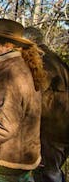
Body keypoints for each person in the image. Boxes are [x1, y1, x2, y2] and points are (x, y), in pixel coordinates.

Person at [0, 18, 45, 182]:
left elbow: (7, 126)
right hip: (21, 158)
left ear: (7, 46)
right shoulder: (23, 67)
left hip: (6, 162)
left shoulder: (9, 74)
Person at [24, 26, 69, 182]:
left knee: (48, 174)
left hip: (50, 131)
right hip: (61, 129)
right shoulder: (55, 59)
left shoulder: (42, 62)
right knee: (53, 172)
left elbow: (35, 96)